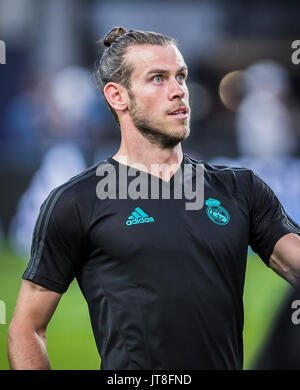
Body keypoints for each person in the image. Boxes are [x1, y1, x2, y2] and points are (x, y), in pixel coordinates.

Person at [7, 27, 300, 370]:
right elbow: (26, 328)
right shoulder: (77, 201)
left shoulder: (241, 188)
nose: (179, 91)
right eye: (158, 79)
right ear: (118, 97)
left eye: (181, 77)